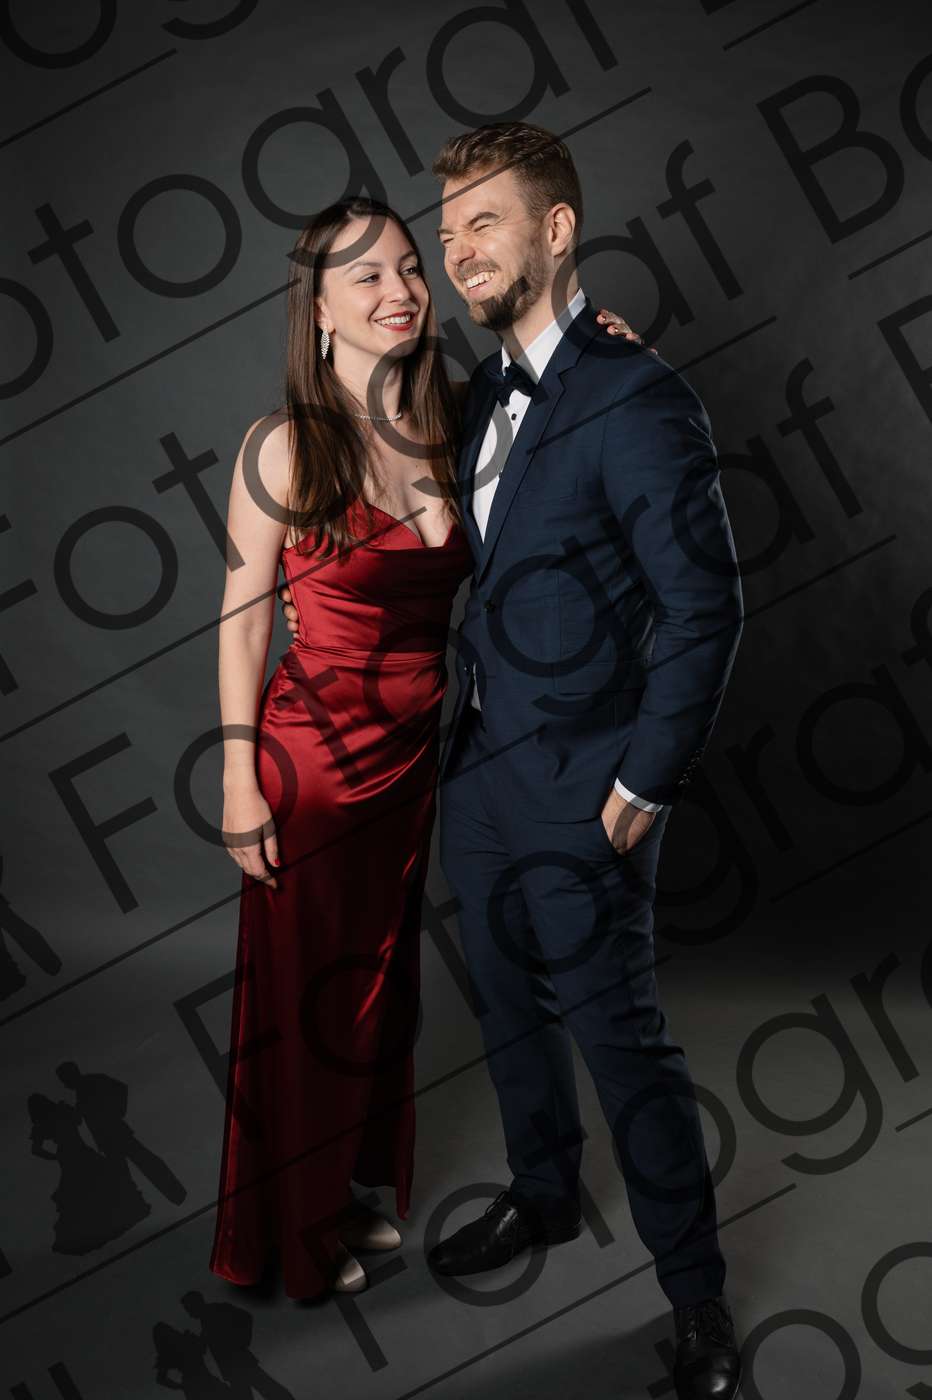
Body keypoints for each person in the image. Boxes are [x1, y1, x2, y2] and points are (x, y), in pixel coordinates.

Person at [280, 122, 745, 1398]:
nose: (456, 251)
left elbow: (704, 607)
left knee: (619, 1039)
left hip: (589, 789)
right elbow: (359, 439)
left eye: (483, 221)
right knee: (507, 1006)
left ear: (556, 229)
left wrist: (642, 784)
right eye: (447, 231)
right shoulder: (475, 391)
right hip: (477, 773)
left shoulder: (639, 396)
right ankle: (542, 1192)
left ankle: (695, 1296)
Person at [211, 188, 636, 1302]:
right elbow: (244, 621)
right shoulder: (283, 447)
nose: (401, 290)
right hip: (310, 769)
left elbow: (557, 395)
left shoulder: (457, 418)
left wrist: (603, 343)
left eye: (409, 266)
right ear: (317, 311)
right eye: (368, 276)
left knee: (378, 991)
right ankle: (293, 1237)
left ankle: (337, 1190)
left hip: (412, 765)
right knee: (308, 1003)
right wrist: (237, 781)